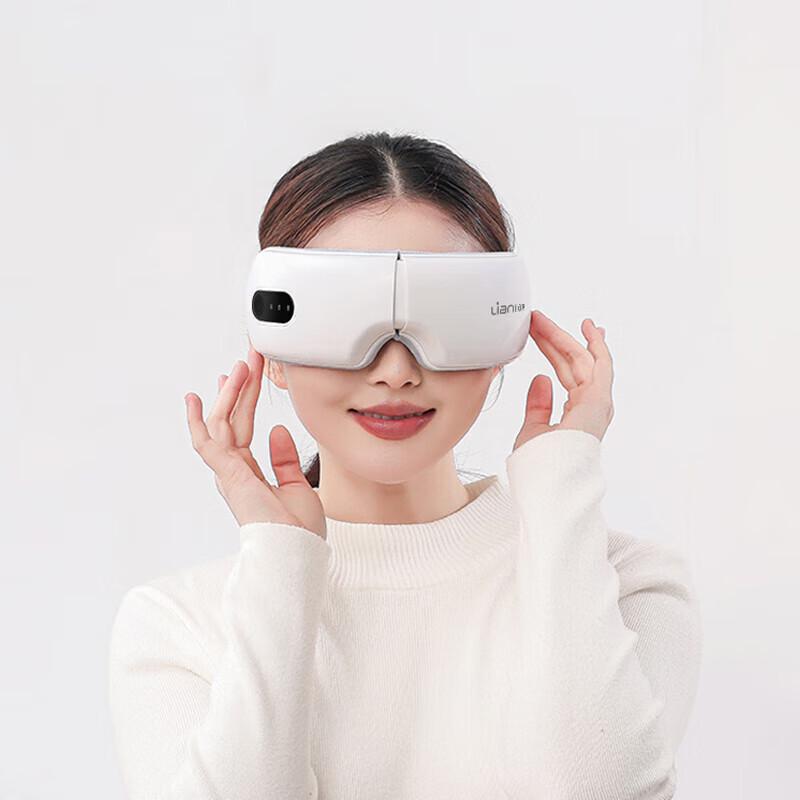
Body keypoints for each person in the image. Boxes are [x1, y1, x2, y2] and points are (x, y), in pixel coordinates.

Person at [107, 132, 702, 799]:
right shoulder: (176, 627)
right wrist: (281, 567)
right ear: (271, 344)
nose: (395, 370)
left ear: (504, 339)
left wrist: (560, 484)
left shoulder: (626, 588)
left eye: (444, 315)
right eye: (342, 316)